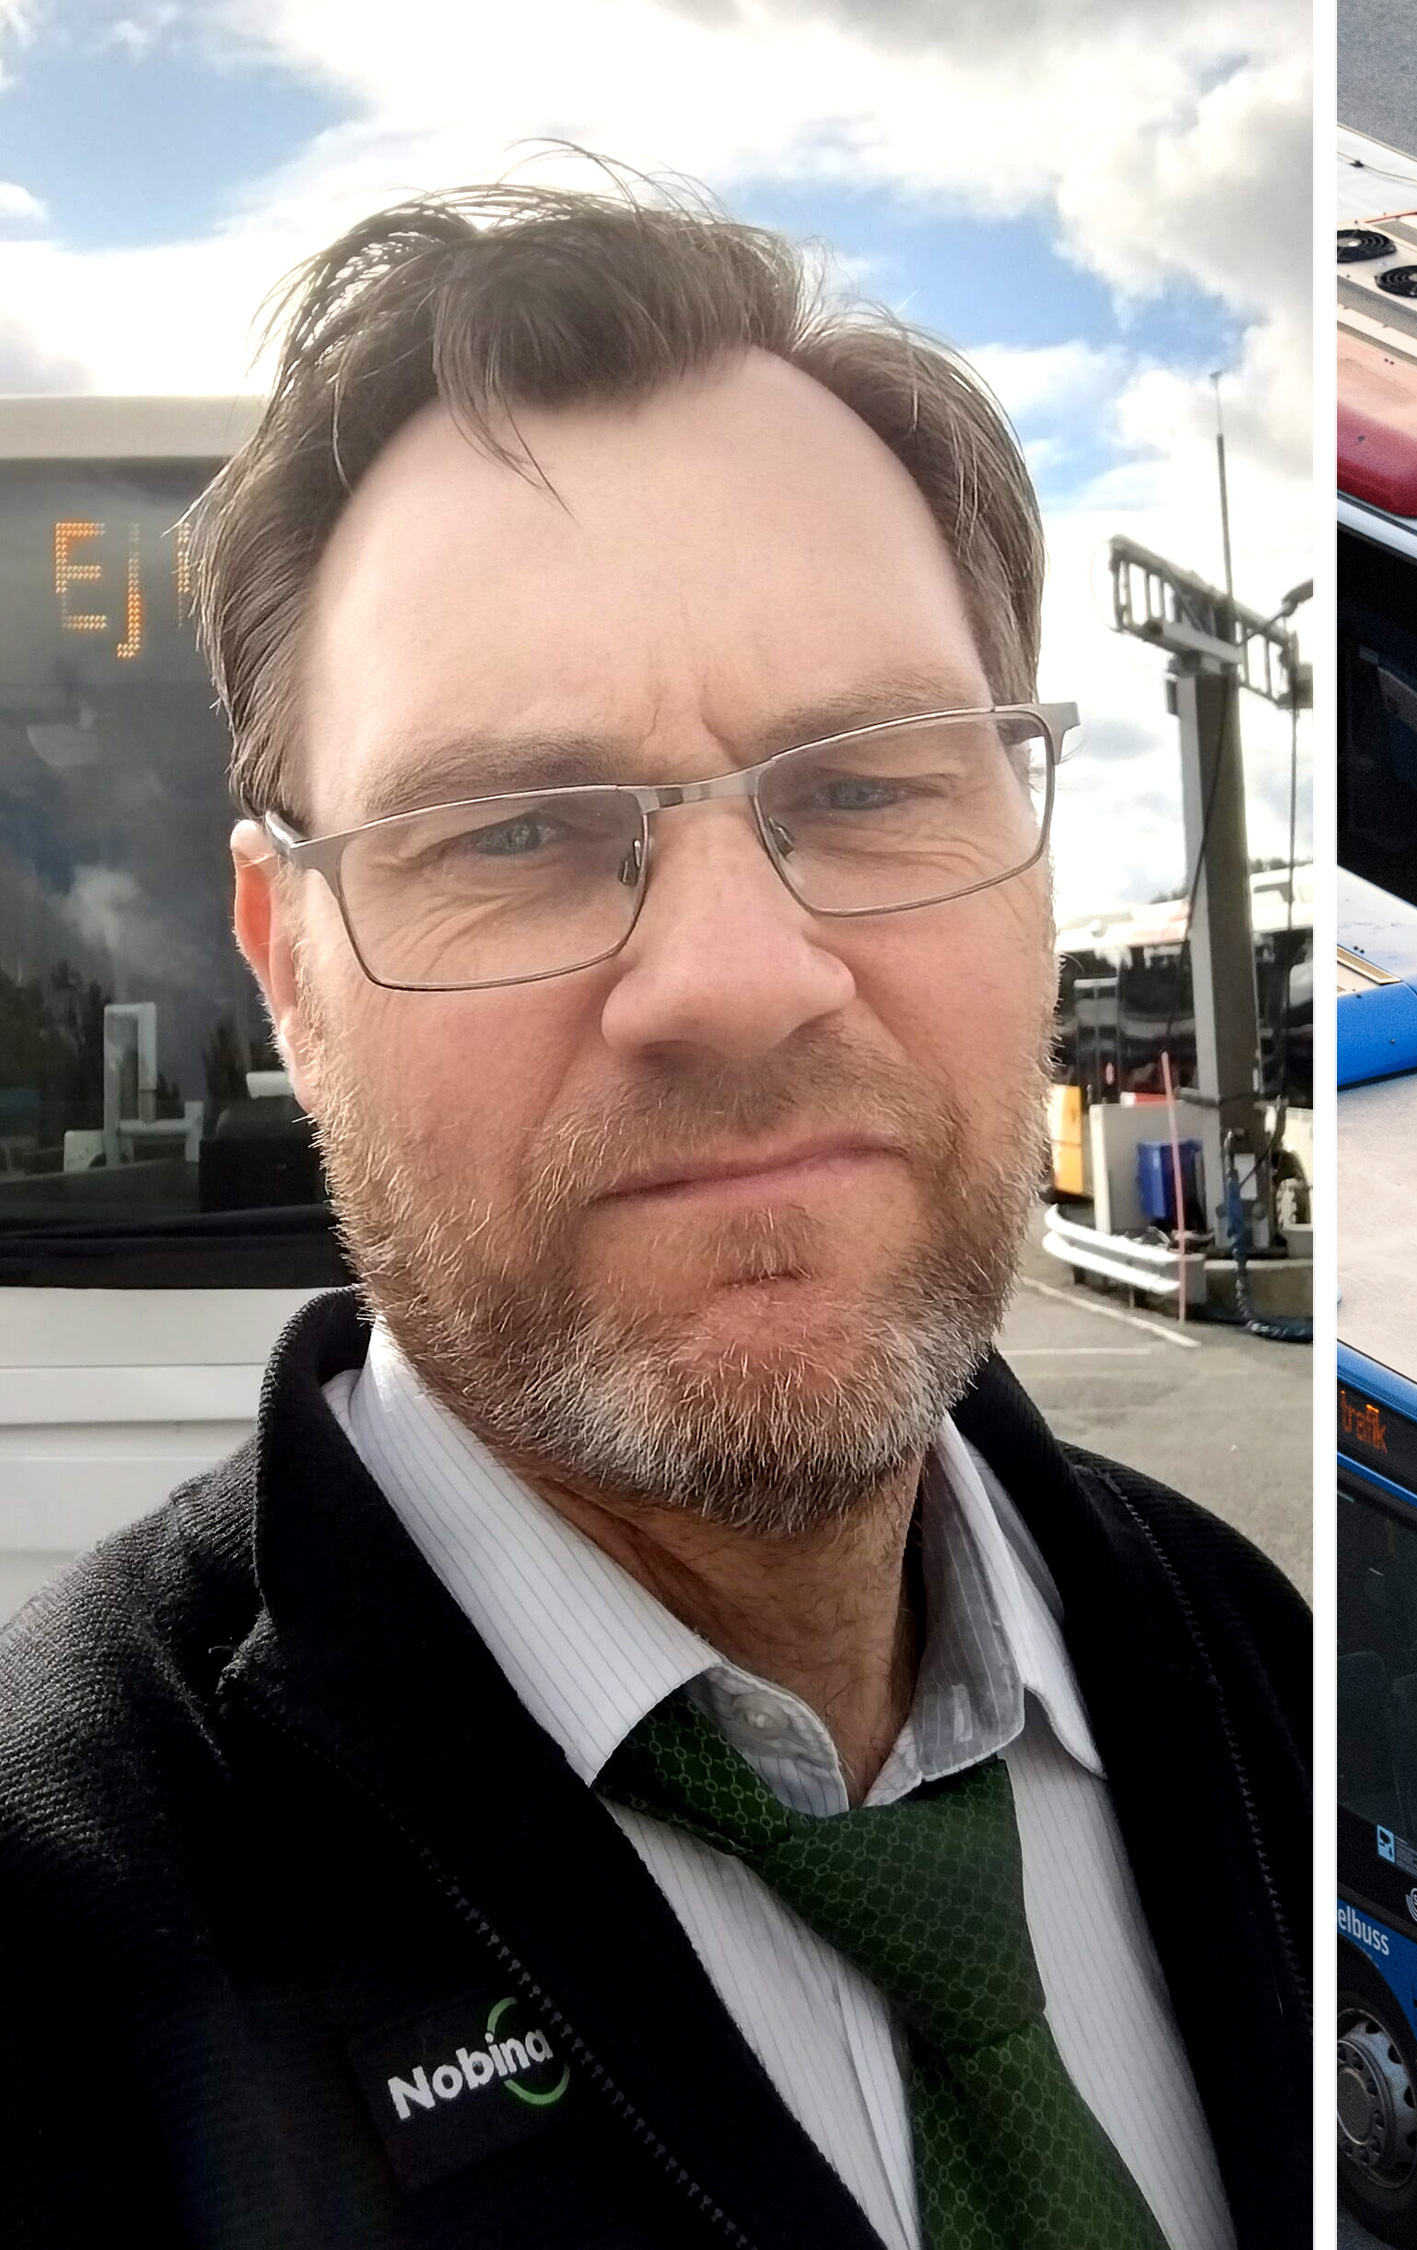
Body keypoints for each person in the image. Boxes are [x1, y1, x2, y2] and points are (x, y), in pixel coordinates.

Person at [0, 174, 1308, 2246]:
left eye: (868, 786)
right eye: (517, 831)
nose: (733, 978)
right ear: (287, 963)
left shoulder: (1259, 1670)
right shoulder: (49, 1977)